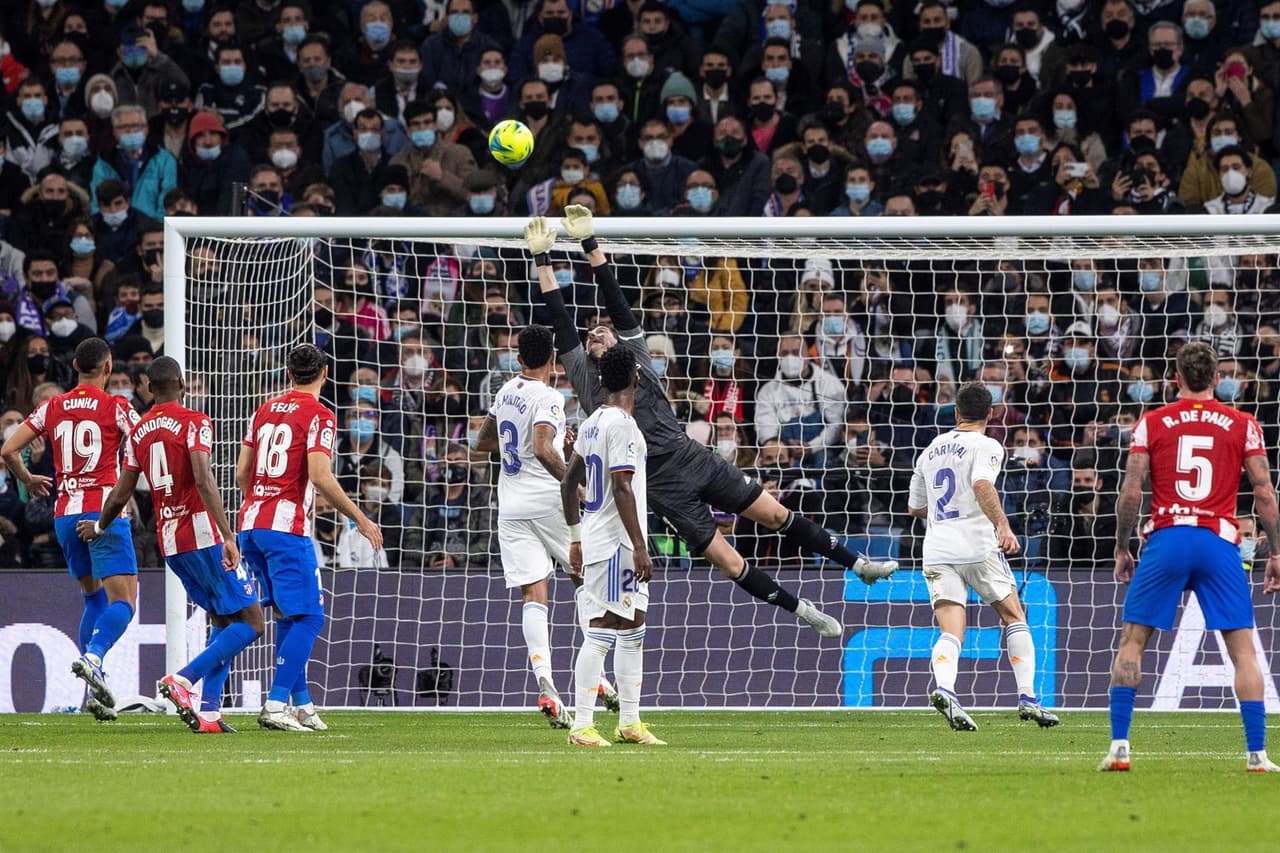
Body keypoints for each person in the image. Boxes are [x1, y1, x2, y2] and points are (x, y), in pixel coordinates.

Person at [525, 208, 897, 642]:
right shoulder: (589, 383)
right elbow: (561, 321)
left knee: (775, 514)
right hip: (660, 485)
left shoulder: (638, 359)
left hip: (693, 458)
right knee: (730, 562)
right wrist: (542, 258)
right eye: (591, 334)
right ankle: (803, 610)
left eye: (603, 330)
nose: (596, 333)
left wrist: (590, 243)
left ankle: (858, 565)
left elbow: (617, 301)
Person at [1103, 342, 1280, 772]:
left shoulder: (1151, 422)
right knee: (1244, 653)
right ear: (1217, 378)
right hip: (1219, 541)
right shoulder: (1244, 423)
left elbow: (1131, 490)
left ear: (1175, 378)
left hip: (1168, 538)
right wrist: (1276, 552)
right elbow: (1263, 492)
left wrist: (1122, 545)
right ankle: (1256, 754)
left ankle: (1120, 747)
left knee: (1132, 643)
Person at [77, 357, 262, 734]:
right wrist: (228, 536)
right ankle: (183, 679)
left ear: (148, 387)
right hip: (202, 534)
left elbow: (121, 493)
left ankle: (210, 711)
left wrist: (98, 526)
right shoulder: (195, 421)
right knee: (253, 622)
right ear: (182, 384)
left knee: (223, 620)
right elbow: (203, 478)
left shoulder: (139, 432)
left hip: (170, 541)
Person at [475, 323, 617, 728]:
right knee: (586, 578)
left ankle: (546, 684)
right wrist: (575, 480)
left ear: (519, 358)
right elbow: (540, 448)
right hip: (548, 504)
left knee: (534, 596)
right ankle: (597, 677)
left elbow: (483, 443)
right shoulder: (549, 396)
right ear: (554, 360)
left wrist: (537, 445)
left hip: (511, 508)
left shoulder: (505, 391)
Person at [236, 344, 383, 732]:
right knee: (312, 616)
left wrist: (260, 503)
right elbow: (319, 475)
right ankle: (275, 704)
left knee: (289, 614)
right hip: (286, 529)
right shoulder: (320, 415)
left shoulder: (263, 410)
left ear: (289, 374)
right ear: (326, 373)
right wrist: (360, 518)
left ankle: (301, 705)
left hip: (250, 524)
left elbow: (241, 473)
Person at [908, 382, 1061, 732]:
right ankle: (1028, 698)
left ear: (956, 413)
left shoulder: (930, 450)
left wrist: (947, 507)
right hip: (976, 544)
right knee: (1013, 615)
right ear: (990, 414)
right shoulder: (988, 444)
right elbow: (981, 484)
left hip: (937, 548)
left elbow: (915, 508)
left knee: (951, 629)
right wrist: (1003, 526)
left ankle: (946, 689)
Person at [0, 337, 139, 721]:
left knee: (93, 599)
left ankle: (94, 691)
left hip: (65, 514)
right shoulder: (116, 406)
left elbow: (8, 449)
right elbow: (143, 443)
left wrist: (27, 479)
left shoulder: (52, 406)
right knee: (125, 602)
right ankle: (94, 658)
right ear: (108, 367)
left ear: (75, 366)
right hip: (103, 512)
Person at [561, 344, 663, 747]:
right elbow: (622, 487)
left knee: (633, 626)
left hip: (600, 538)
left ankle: (629, 722)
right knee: (603, 629)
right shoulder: (621, 425)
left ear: (603, 380)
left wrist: (576, 536)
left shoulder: (592, 422)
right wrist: (639, 545)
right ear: (637, 378)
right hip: (616, 543)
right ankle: (582, 726)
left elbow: (568, 482)